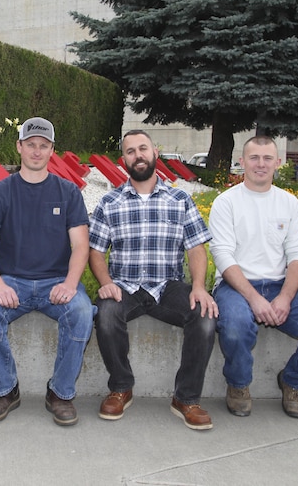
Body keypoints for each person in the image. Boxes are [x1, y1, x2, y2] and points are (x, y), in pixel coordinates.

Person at [0, 117, 95, 426]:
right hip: (12, 281)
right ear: (19, 147)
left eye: (43, 146)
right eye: (30, 145)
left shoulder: (68, 192)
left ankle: (61, 393)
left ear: (52, 150)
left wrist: (70, 283)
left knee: (81, 312)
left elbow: (81, 246)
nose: (36, 152)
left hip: (56, 282)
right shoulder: (0, 192)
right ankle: (6, 389)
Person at [89, 130, 218, 430]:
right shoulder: (110, 202)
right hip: (125, 285)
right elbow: (95, 252)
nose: (138, 155)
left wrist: (198, 287)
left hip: (168, 286)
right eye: (131, 151)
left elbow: (196, 247)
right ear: (124, 160)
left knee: (204, 316)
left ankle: (186, 398)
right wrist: (106, 281)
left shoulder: (180, 198)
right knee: (106, 314)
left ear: (155, 153)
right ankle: (121, 387)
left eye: (143, 148)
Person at [208, 136, 298, 419]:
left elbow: (297, 256)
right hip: (235, 286)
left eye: (268, 158)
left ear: (277, 163)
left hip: (279, 285)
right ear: (241, 162)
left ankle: (293, 381)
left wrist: (285, 298)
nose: (260, 164)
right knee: (235, 326)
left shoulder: (289, 204)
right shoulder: (225, 203)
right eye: (254, 158)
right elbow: (223, 256)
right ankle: (239, 384)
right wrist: (254, 299)